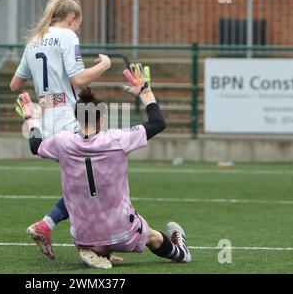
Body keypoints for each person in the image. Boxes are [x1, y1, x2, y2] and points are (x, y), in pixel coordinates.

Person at [16, 63, 191, 268]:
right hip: (122, 232)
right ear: (104, 117)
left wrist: (31, 118)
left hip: (83, 235)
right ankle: (181, 252)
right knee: (153, 237)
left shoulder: (62, 142)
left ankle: (98, 250)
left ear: (76, 117)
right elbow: (158, 123)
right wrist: (145, 92)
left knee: (90, 205)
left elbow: (36, 146)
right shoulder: (117, 139)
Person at [10, 0, 111, 259]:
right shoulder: (67, 36)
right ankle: (84, 242)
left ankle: (74, 237)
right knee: (93, 182)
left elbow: (15, 84)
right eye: (79, 23)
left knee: (83, 184)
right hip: (68, 118)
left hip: (45, 121)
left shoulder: (33, 41)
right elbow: (78, 79)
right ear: (71, 18)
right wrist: (104, 65)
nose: (79, 28)